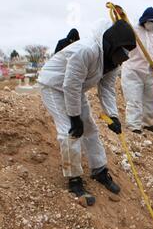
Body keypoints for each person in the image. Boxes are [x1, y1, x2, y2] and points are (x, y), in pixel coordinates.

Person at [38, 19, 137, 206]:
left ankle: (99, 170)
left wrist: (113, 115)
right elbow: (70, 84)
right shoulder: (87, 50)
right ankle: (74, 179)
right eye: (121, 51)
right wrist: (74, 117)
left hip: (75, 89)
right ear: (111, 44)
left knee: (90, 128)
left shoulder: (113, 61)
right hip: (53, 85)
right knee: (70, 131)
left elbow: (106, 89)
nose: (122, 57)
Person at [121, 7, 153, 135]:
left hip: (150, 72)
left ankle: (148, 124)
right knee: (134, 99)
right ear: (143, 21)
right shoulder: (133, 30)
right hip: (133, 70)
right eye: (149, 21)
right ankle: (134, 126)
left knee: (150, 100)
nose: (150, 24)